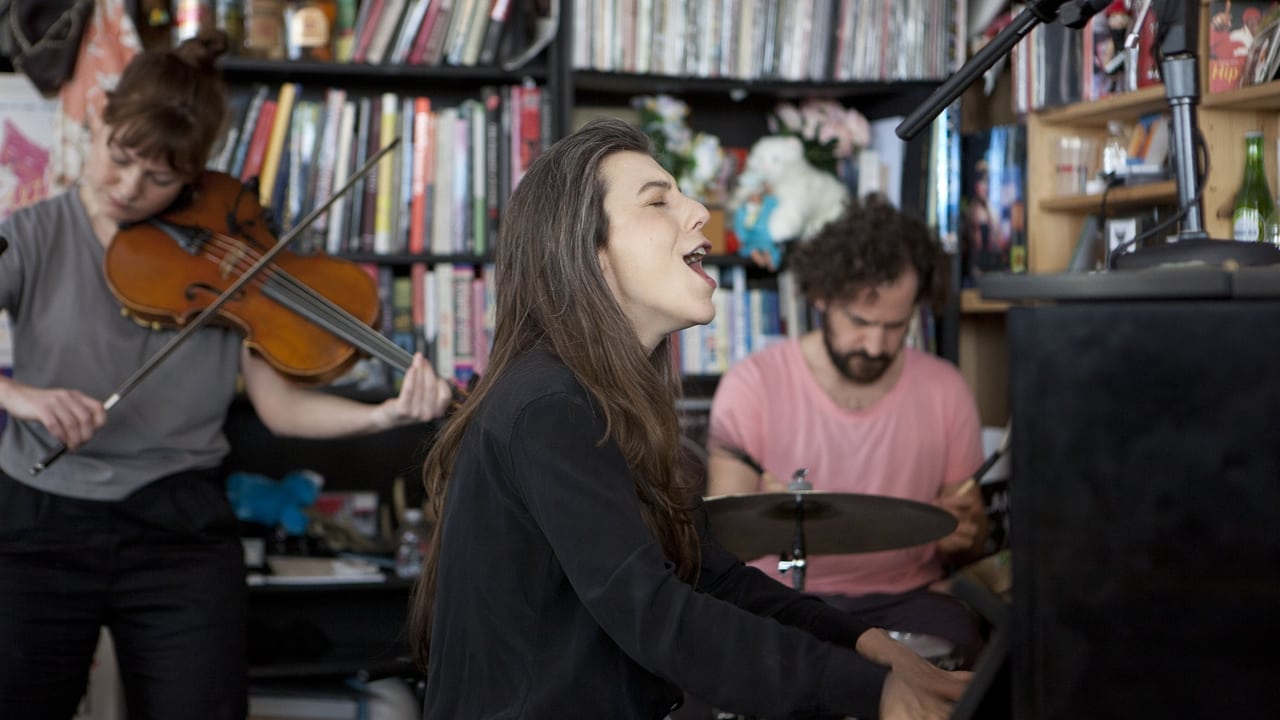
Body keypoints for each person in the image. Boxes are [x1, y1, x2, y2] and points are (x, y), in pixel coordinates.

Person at [407, 116, 971, 719]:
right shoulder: (548, 406)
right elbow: (653, 613)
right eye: (659, 201)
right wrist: (870, 693)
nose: (700, 209)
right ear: (588, 253)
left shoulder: (593, 401)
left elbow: (712, 577)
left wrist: (864, 644)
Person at [0, 32, 454, 720]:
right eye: (119, 158)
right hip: (39, 521)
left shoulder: (230, 256)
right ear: (96, 118)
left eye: (160, 178)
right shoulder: (31, 235)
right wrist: (20, 396)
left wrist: (384, 414)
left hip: (177, 525)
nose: (129, 188)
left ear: (196, 171)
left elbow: (281, 410)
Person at [706, 195, 990, 669]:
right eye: (860, 322)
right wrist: (764, 519)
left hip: (909, 600)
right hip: (784, 600)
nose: (876, 345)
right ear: (821, 297)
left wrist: (965, 534)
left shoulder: (946, 388)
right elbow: (723, 540)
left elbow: (971, 535)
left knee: (974, 657)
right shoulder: (753, 383)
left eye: (895, 326)